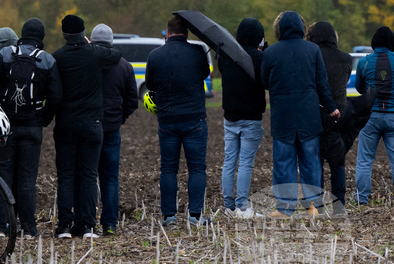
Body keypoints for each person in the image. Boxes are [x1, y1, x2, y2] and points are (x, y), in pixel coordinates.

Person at [0, 19, 62, 238]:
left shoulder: (5, 55)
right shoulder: (47, 60)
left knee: (4, 177)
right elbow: (56, 97)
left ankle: (4, 226)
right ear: (41, 37)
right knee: (27, 180)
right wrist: (44, 119)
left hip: (6, 127)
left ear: (22, 34)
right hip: (32, 127)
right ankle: (29, 228)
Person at [261, 11, 339, 217]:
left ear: (280, 28)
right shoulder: (313, 50)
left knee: (283, 162)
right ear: (301, 27)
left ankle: (285, 207)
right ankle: (312, 206)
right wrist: (331, 107)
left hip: (282, 116)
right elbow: (322, 83)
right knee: (310, 162)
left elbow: (265, 82)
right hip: (308, 116)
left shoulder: (270, 53)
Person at [51, 15, 120, 238]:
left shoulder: (58, 57)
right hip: (92, 124)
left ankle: (64, 226)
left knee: (66, 175)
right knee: (89, 174)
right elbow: (116, 55)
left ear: (64, 34)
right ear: (83, 33)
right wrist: (90, 45)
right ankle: (88, 225)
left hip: (66, 124)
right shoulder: (94, 54)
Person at [146, 14, 211, 227]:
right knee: (197, 169)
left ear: (168, 32)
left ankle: (169, 216)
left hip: (167, 120)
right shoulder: (198, 52)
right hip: (194, 119)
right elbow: (203, 75)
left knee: (168, 168)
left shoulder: (155, 55)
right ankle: (195, 216)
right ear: (187, 33)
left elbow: (151, 85)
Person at [354, 26, 394, 207]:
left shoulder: (364, 62)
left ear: (373, 43)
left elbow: (359, 88)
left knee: (364, 160)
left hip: (370, 117)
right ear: (392, 43)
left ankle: (361, 198)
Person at [91, 24, 138, 235]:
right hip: (112, 128)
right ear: (112, 42)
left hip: (90, 126)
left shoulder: (86, 63)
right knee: (110, 177)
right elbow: (132, 101)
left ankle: (87, 223)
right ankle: (109, 224)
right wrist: (121, 118)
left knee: (89, 175)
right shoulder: (124, 66)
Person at [219, 18, 267, 218]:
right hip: (252, 117)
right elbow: (265, 81)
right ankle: (242, 207)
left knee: (229, 160)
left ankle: (228, 206)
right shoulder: (259, 58)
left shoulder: (226, 55)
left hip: (230, 117)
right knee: (246, 162)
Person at [306, 21, 353, 213]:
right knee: (337, 163)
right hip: (338, 117)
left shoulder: (311, 56)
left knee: (316, 163)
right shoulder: (346, 59)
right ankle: (339, 204)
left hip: (315, 116)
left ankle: (317, 204)